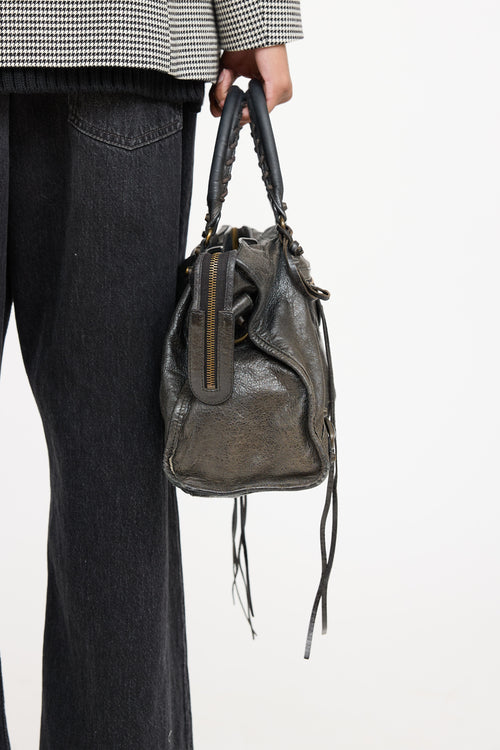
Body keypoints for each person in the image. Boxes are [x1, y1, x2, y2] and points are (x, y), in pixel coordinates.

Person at [0, 2, 304, 748]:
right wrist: (256, 18)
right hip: (121, 33)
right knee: (116, 470)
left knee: (120, 467)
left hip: (127, 54)